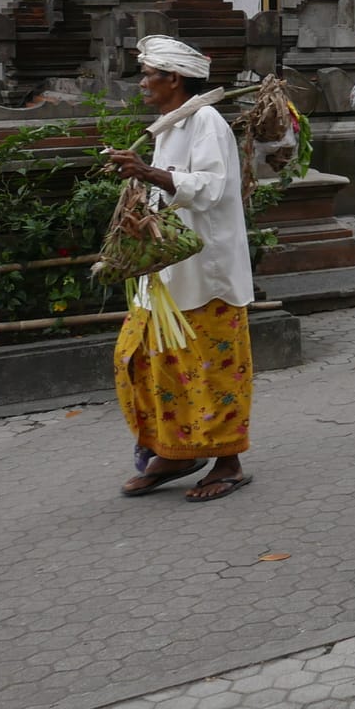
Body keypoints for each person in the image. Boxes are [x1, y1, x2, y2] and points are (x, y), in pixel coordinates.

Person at [108, 36, 257, 502]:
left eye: (148, 75)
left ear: (173, 78)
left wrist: (149, 174)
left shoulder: (206, 122)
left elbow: (211, 188)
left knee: (212, 370)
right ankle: (175, 451)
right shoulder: (171, 125)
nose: (142, 84)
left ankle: (227, 462)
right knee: (145, 361)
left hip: (207, 275)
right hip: (166, 273)